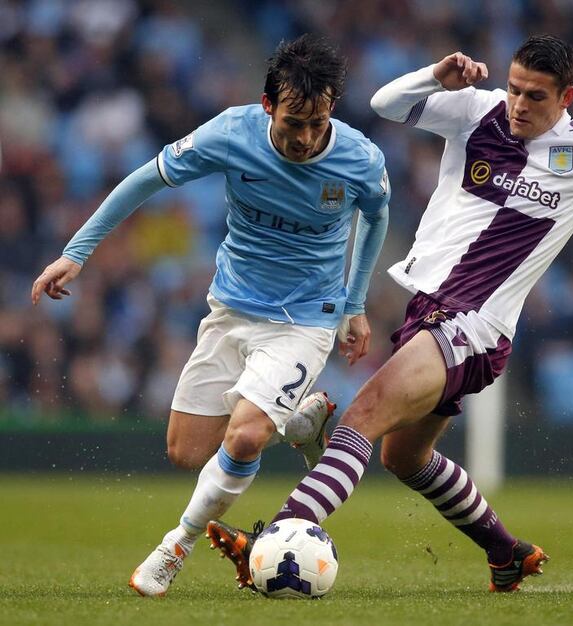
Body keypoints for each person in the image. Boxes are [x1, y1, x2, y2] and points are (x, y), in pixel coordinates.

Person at [208, 34, 573, 593]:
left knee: (362, 415)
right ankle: (507, 554)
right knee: (404, 457)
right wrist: (437, 75)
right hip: (426, 309)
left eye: (536, 96)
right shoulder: (476, 112)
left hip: (475, 325)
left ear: (567, 98)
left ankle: (276, 537)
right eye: (514, 89)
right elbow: (386, 103)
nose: (519, 105)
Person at [30, 34, 391, 597]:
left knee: (243, 438)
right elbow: (146, 177)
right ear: (268, 105)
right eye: (294, 122)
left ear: (332, 110)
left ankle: (177, 544)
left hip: (304, 319)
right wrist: (76, 252)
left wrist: (354, 302)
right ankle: (301, 421)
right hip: (230, 308)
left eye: (318, 123)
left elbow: (376, 214)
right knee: (187, 452)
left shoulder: (359, 157)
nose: (305, 137)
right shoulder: (231, 133)